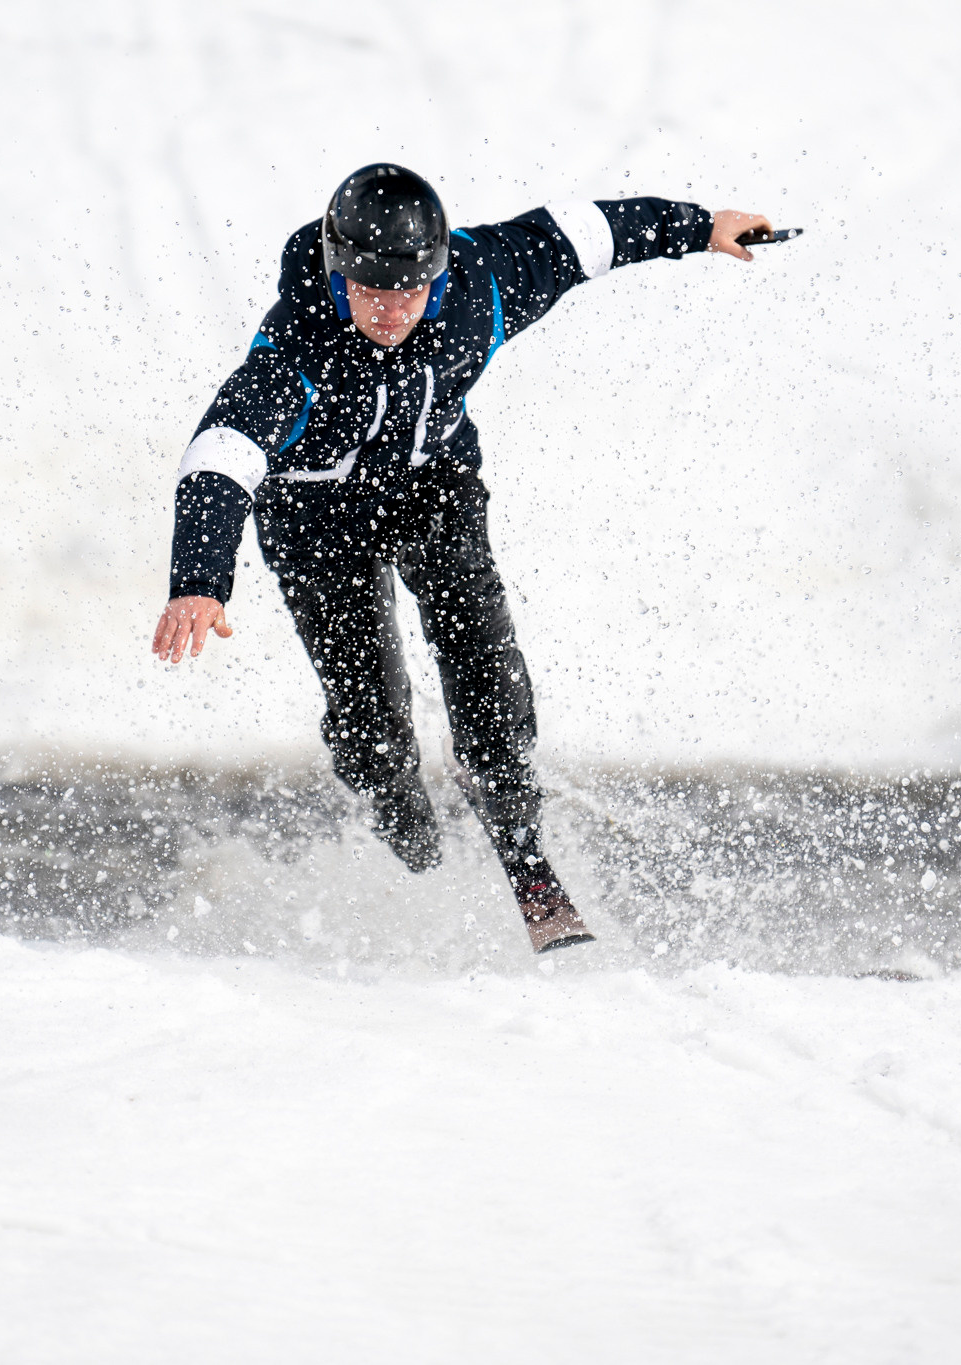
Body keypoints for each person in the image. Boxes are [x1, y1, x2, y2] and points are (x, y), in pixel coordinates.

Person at [152, 163, 774, 953]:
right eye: (371, 290)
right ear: (339, 272)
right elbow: (218, 455)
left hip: (433, 489)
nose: (391, 310)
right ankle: (410, 843)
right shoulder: (297, 346)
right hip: (315, 522)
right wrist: (200, 580)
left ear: (437, 271)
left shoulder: (478, 285)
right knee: (371, 722)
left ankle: (524, 856)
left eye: (409, 291)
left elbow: (578, 235)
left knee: (485, 668)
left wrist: (697, 226)